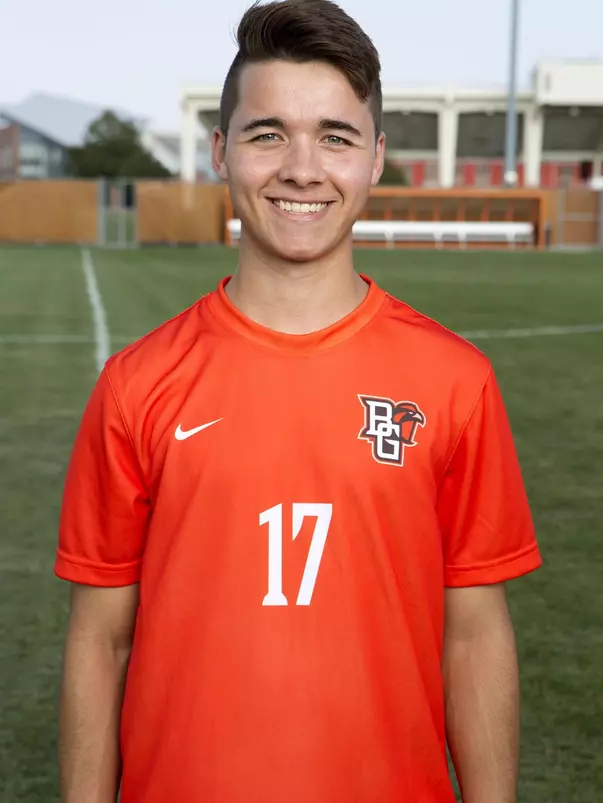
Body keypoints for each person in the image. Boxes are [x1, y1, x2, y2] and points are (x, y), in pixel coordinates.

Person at [54, 1, 542, 801]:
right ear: (220, 150)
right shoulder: (137, 384)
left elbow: (475, 632)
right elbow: (98, 641)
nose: (302, 168)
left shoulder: (454, 379)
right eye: (267, 132)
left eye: (336, 137)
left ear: (376, 157)